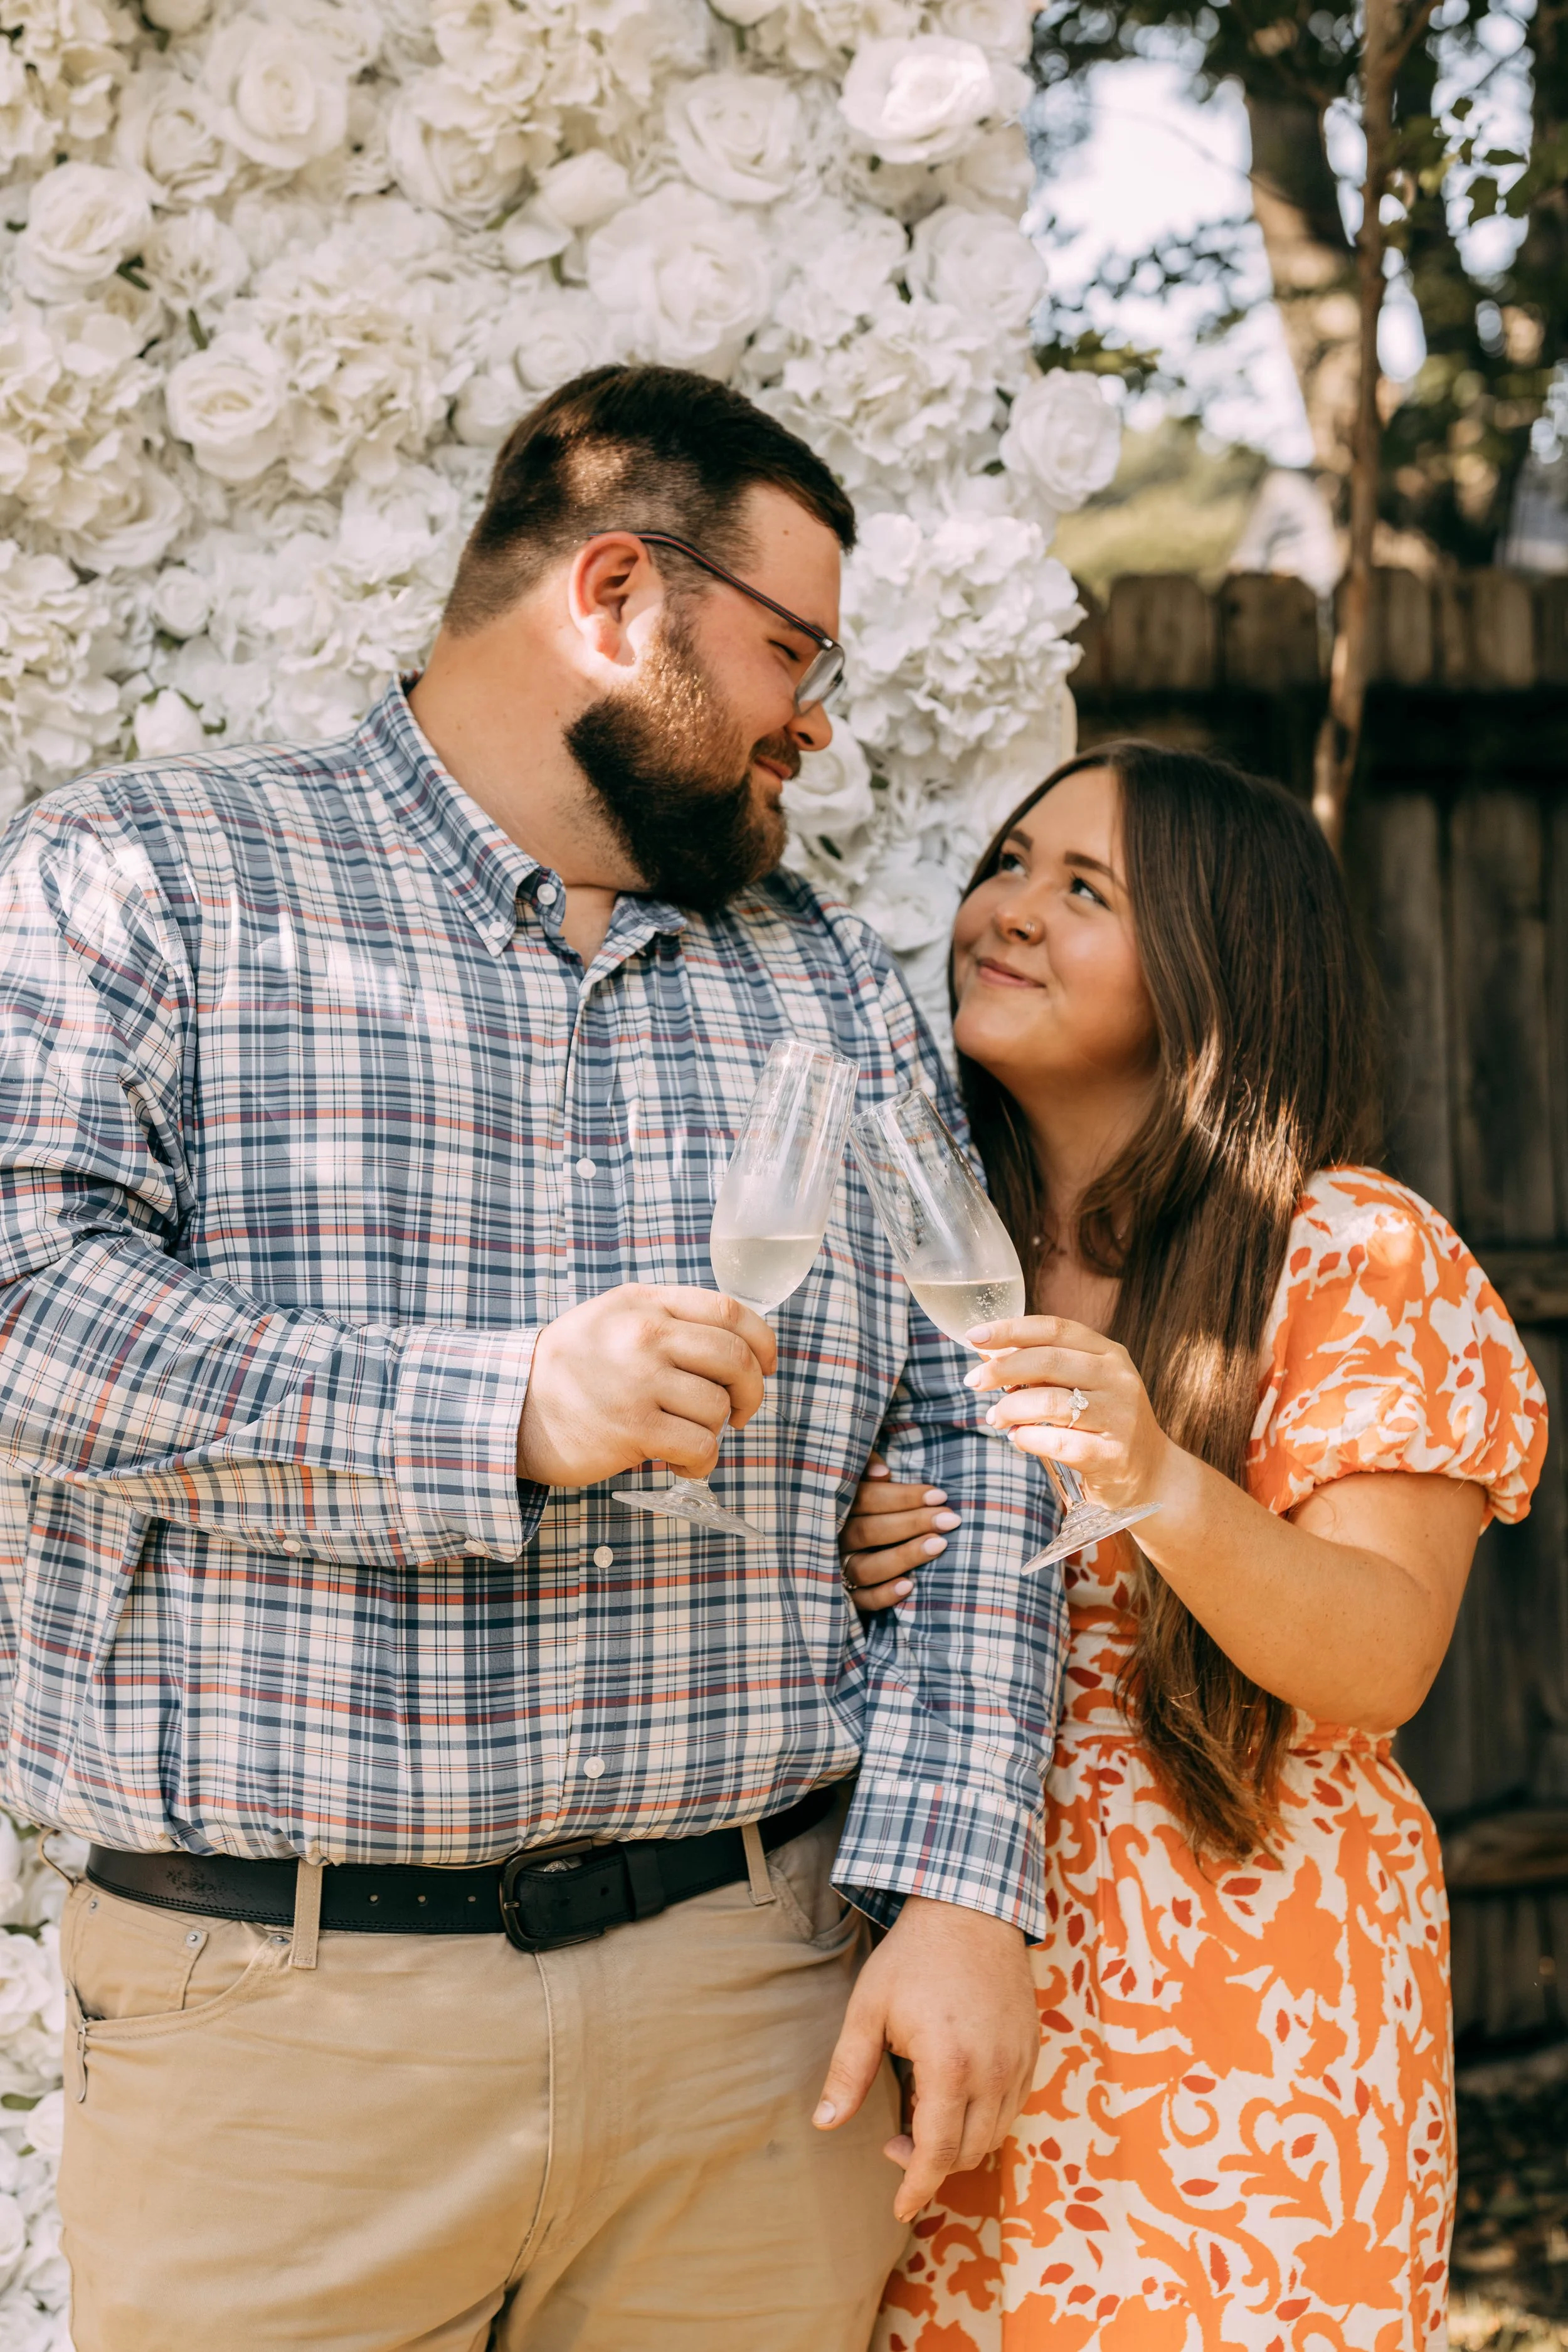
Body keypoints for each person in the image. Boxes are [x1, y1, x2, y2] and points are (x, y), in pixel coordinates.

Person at [0, 364, 1066, 2352]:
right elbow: (21, 1304)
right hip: (283, 2043)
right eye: (787, 650)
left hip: (759, 2020)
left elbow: (988, 1409)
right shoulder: (147, 875)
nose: (812, 719)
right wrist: (490, 1412)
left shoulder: (822, 974)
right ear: (611, 593)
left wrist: (960, 1884)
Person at [840, 744, 1548, 2349]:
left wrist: (1155, 1479)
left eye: (1083, 891)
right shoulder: (918, 1246)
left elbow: (1380, 1656)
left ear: (1216, 969)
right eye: (1007, 864)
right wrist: (858, 1555)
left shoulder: (1349, 1251)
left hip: (1248, 2003)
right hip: (936, 1962)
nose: (1005, 913)